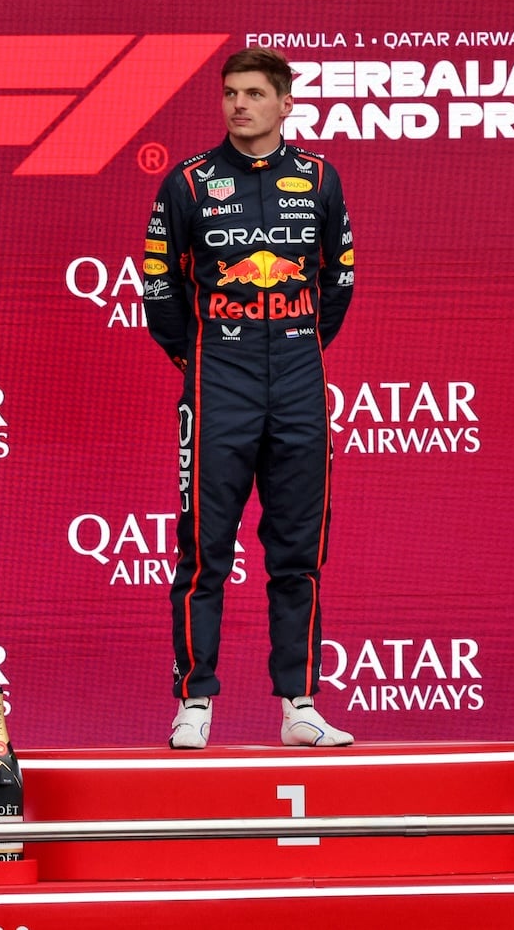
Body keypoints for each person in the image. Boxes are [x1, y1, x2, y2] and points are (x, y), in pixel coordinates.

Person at [144, 48, 358, 749]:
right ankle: (195, 699)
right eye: (231, 93)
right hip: (218, 378)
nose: (239, 105)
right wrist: (205, 354)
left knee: (298, 550)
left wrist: (296, 340)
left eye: (255, 93)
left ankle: (299, 701)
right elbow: (161, 290)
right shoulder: (187, 183)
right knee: (204, 551)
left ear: (286, 102)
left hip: (297, 376)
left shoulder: (320, 178)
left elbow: (340, 280)